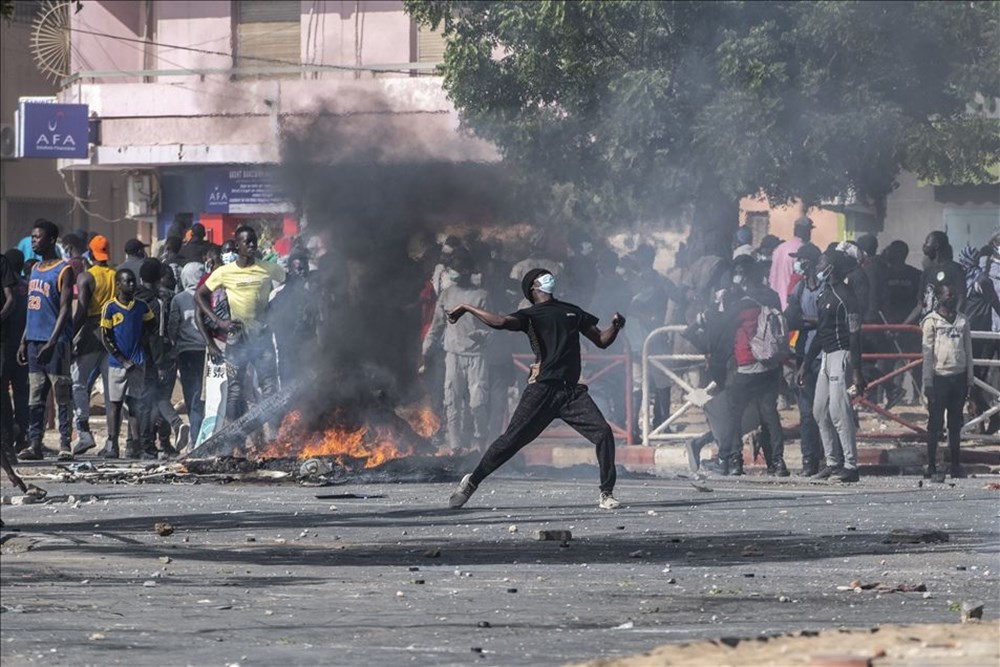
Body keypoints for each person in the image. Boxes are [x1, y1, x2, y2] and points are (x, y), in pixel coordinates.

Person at [447, 268, 627, 510]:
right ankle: (472, 482)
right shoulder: (530, 315)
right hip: (542, 391)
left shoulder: (572, 311)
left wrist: (615, 326)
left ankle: (606, 494)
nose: (548, 278)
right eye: (542, 276)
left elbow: (602, 341)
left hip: (571, 393)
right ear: (533, 288)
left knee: (603, 433)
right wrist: (467, 307)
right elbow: (500, 322)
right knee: (510, 442)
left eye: (548, 274)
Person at [195, 226, 285, 428]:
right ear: (238, 246)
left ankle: (275, 439)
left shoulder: (268, 268)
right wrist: (219, 322)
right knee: (234, 390)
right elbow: (199, 295)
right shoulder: (224, 272)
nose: (252, 245)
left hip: (262, 337)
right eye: (247, 242)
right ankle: (233, 440)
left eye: (254, 241)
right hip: (236, 339)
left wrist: (276, 310)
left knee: (269, 387)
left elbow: (291, 283)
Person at [798, 250, 865, 483]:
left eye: (823, 262)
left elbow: (855, 335)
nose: (818, 266)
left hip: (842, 355)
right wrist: (806, 364)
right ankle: (832, 462)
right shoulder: (824, 294)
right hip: (826, 356)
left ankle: (851, 466)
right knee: (819, 410)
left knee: (839, 411)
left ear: (832, 267)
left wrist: (857, 370)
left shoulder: (846, 297)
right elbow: (820, 334)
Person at [721, 256, 788, 476]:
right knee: (769, 414)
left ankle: (735, 461)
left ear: (744, 275)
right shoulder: (773, 297)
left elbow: (722, 330)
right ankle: (777, 462)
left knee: (734, 415)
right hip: (770, 365)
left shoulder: (740, 303)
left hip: (745, 365)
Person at [422, 251, 491, 452]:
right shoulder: (447, 295)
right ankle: (455, 447)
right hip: (452, 355)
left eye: (462, 268)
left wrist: (483, 334)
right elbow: (436, 326)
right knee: (452, 402)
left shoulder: (482, 296)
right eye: (456, 268)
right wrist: (425, 349)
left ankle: (480, 442)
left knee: (477, 404)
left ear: (469, 271)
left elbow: (491, 327)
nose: (458, 272)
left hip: (477, 356)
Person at [17, 220, 75, 461]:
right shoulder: (35, 269)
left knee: (61, 394)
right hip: (33, 341)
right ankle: (35, 444)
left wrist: (53, 342)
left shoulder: (64, 269)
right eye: (32, 237)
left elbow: (64, 309)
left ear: (51, 239)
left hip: (56, 343)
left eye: (37, 237)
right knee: (36, 397)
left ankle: (64, 445)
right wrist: (23, 339)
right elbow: (32, 307)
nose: (33, 241)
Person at [99, 268, 155, 459]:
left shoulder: (141, 306)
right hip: (117, 363)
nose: (132, 285)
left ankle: (135, 445)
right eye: (128, 281)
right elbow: (106, 337)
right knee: (115, 404)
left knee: (135, 403)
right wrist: (122, 359)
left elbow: (151, 324)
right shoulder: (110, 307)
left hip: (138, 361)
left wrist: (143, 340)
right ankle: (112, 443)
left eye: (133, 281)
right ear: (118, 284)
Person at [69, 234, 117, 455]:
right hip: (113, 334)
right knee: (110, 391)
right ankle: (112, 442)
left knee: (78, 382)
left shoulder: (87, 277)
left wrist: (70, 335)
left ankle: (84, 433)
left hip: (91, 334)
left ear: (90, 253)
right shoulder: (117, 275)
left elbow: (81, 312)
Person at [921, 283, 973, 479]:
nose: (951, 298)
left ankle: (956, 465)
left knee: (955, 424)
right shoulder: (931, 322)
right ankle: (932, 465)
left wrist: (970, 380)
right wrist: (928, 383)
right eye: (948, 295)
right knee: (934, 425)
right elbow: (927, 354)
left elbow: (968, 352)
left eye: (953, 295)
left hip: (958, 378)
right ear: (939, 297)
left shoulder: (962, 321)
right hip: (939, 378)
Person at [784, 243, 824, 475]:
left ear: (808, 261)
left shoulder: (825, 288)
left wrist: (808, 320)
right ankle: (809, 461)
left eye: (800, 259)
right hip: (803, 355)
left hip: (824, 356)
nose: (797, 263)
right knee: (807, 413)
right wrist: (808, 320)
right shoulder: (799, 289)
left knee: (826, 411)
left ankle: (830, 460)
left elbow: (828, 319)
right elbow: (790, 317)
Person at [168, 262, 207, 445]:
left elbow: (173, 326)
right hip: (206, 351)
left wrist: (173, 345)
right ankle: (202, 435)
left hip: (186, 352)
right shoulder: (209, 295)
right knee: (203, 395)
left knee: (191, 394)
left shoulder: (179, 298)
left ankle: (195, 437)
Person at [268, 252, 319, 388]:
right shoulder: (279, 297)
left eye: (305, 268)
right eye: (299, 269)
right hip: (289, 359)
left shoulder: (310, 295)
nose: (303, 273)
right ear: (290, 270)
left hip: (309, 356)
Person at [905, 231, 966, 324]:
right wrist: (903, 325)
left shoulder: (955, 269)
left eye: (927, 242)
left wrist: (956, 322)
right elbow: (920, 306)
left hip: (945, 327)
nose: (925, 246)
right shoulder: (927, 272)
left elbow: (961, 298)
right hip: (927, 326)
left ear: (936, 245)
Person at [3, 250, 30, 453]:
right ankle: (22, 437)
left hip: (6, 345)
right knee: (22, 394)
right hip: (24, 346)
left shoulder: (8, 288)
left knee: (4, 394)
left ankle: (8, 435)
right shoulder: (28, 287)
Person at [770, 217, 814, 310]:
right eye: (809, 230)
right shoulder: (803, 250)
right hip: (791, 304)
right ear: (805, 231)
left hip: (775, 304)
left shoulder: (779, 248)